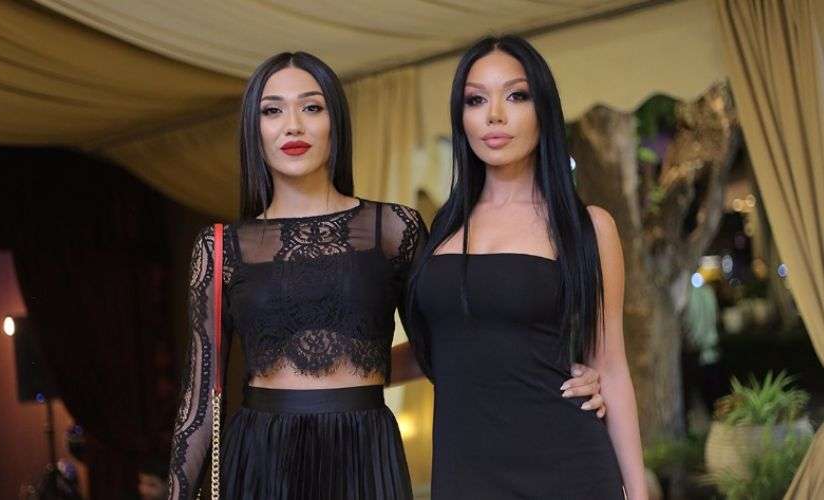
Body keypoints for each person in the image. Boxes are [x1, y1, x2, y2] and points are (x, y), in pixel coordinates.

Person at [167, 51, 606, 500]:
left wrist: (564, 372)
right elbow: (199, 402)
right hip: (261, 457)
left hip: (364, 449)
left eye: (312, 107)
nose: (293, 126)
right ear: (252, 128)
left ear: (336, 122)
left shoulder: (396, 229)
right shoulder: (220, 247)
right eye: (272, 110)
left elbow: (445, 347)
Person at [402, 35, 647, 499]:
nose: (494, 115)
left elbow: (611, 367)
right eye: (476, 100)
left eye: (516, 96)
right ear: (461, 117)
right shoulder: (442, 229)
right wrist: (336, 378)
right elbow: (440, 346)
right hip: (465, 476)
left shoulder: (587, 227)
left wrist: (638, 493)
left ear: (544, 110)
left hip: (569, 469)